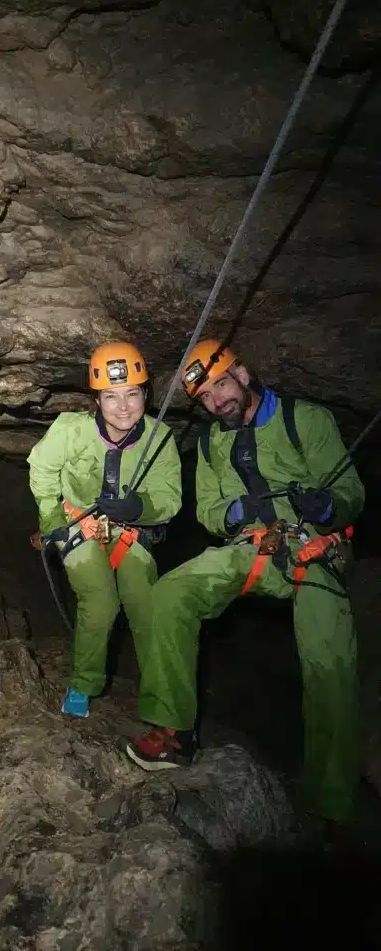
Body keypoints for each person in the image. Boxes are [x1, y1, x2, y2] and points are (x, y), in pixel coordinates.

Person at [121, 340, 365, 827]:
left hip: (315, 548)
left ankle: (331, 799)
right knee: (173, 589)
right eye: (205, 398)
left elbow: (350, 494)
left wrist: (326, 506)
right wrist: (235, 512)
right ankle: (174, 731)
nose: (216, 402)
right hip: (256, 549)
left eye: (220, 385)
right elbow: (210, 511)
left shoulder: (307, 420)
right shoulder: (214, 442)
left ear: (242, 373)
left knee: (329, 662)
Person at [28, 341, 182, 719]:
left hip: (131, 531)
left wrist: (139, 507)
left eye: (132, 393)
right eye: (111, 396)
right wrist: (52, 524)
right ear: (96, 400)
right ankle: (83, 686)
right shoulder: (69, 430)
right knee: (100, 603)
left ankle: (160, 702)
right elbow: (43, 472)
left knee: (149, 606)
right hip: (77, 523)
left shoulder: (159, 438)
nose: (124, 406)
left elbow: (170, 496)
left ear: (146, 393)